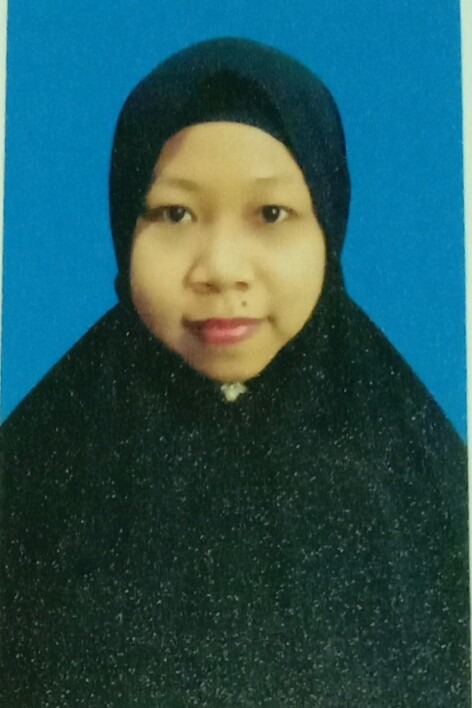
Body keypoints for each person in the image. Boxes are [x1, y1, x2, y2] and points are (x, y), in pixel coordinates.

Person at [0, 37, 469, 706]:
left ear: (328, 229)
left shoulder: (421, 481)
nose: (221, 269)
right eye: (175, 213)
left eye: (271, 214)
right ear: (124, 225)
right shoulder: (35, 473)